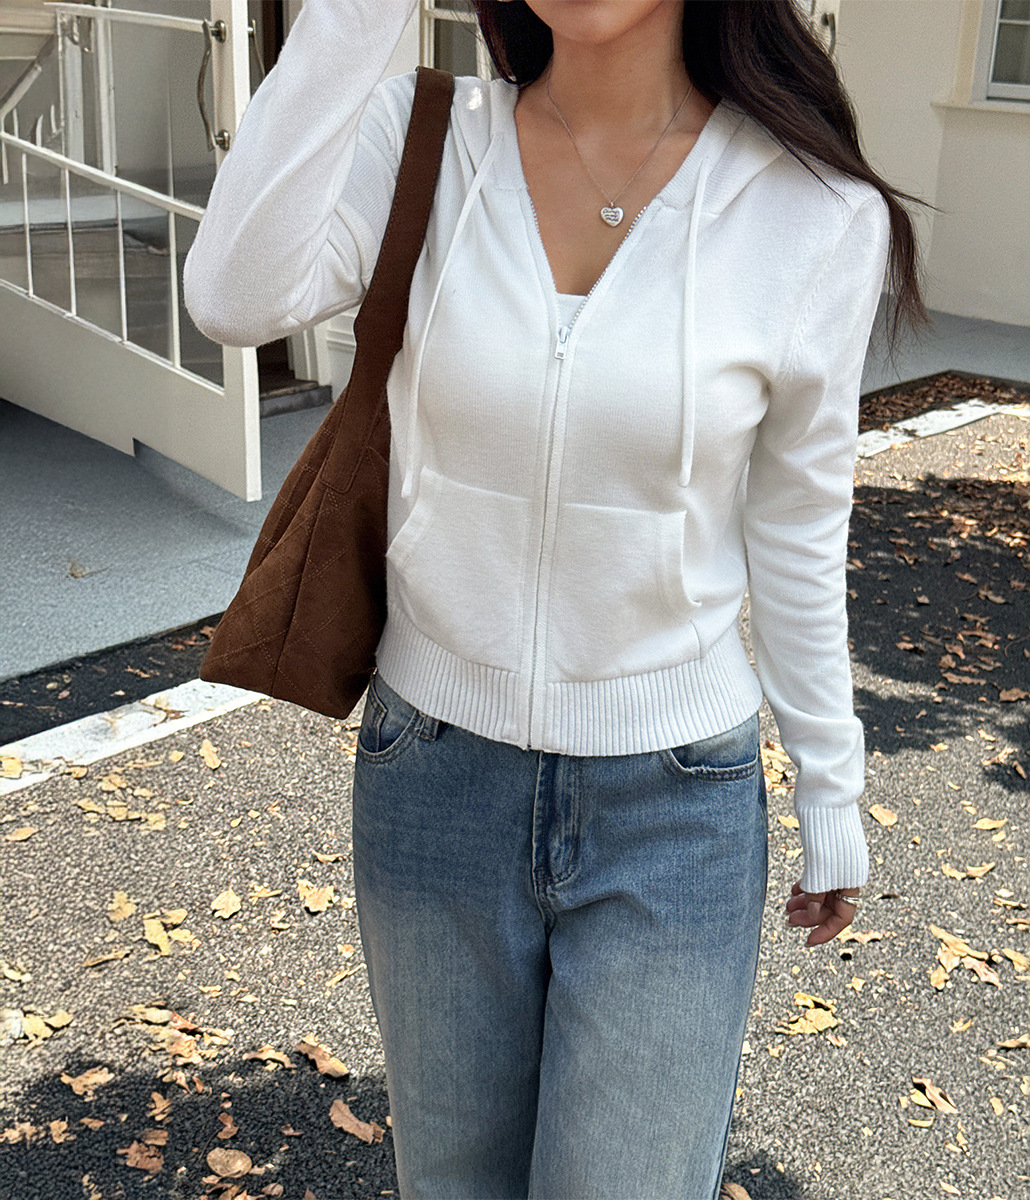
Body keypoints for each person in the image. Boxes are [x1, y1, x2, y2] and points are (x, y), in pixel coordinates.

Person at [184, 1, 924, 1196]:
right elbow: (232, 296)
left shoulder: (812, 212)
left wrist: (831, 786)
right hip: (433, 779)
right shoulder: (426, 140)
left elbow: (796, 526)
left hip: (674, 804)